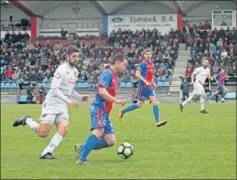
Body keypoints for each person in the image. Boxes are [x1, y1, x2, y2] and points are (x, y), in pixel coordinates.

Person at [12, 45, 90, 159]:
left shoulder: (75, 72)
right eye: (74, 56)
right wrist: (67, 100)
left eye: (78, 56)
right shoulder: (61, 70)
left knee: (64, 128)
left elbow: (70, 90)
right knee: (43, 133)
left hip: (62, 105)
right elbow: (54, 88)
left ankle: (46, 152)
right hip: (52, 103)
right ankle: (27, 120)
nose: (76, 59)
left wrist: (80, 97)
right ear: (68, 57)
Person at [75, 53, 128, 164]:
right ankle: (82, 159)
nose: (125, 67)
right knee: (98, 132)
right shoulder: (107, 74)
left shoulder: (114, 76)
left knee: (111, 141)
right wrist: (116, 100)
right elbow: (101, 90)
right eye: (124, 64)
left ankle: (82, 148)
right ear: (117, 62)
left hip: (105, 111)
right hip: (100, 108)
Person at [117, 49, 167, 127]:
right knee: (139, 105)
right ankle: (122, 111)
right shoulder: (142, 64)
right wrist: (145, 81)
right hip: (142, 87)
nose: (148, 55)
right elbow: (137, 74)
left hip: (149, 87)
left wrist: (153, 83)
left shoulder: (151, 64)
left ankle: (157, 121)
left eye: (149, 54)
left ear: (151, 55)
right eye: (147, 54)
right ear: (144, 55)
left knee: (155, 102)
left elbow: (151, 75)